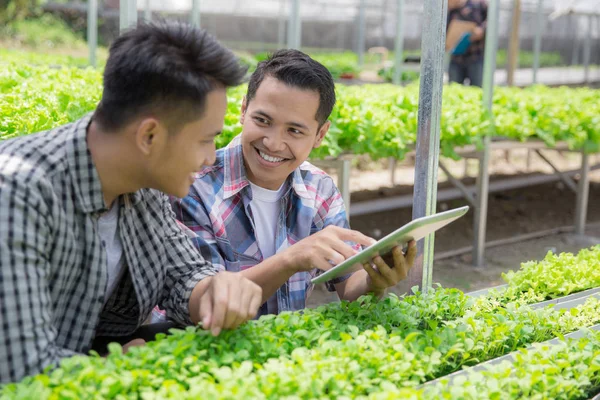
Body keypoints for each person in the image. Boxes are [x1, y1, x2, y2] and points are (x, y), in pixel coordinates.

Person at [0, 21, 263, 383]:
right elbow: (21, 369)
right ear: (149, 135)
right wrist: (116, 369)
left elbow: (181, 272)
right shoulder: (18, 191)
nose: (209, 158)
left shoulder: (144, 182)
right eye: (206, 139)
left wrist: (215, 291)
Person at [168, 49, 417, 319]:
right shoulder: (192, 187)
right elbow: (207, 305)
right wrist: (291, 259)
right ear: (243, 110)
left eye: (294, 131)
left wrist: (373, 281)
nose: (273, 143)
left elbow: (349, 285)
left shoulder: (319, 190)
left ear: (320, 134)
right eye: (262, 121)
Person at [447, 0, 488, 87]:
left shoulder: (478, 4)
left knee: (477, 89)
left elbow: (491, 20)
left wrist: (481, 30)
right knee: (454, 88)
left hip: (475, 56)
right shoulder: (451, 9)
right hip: (456, 58)